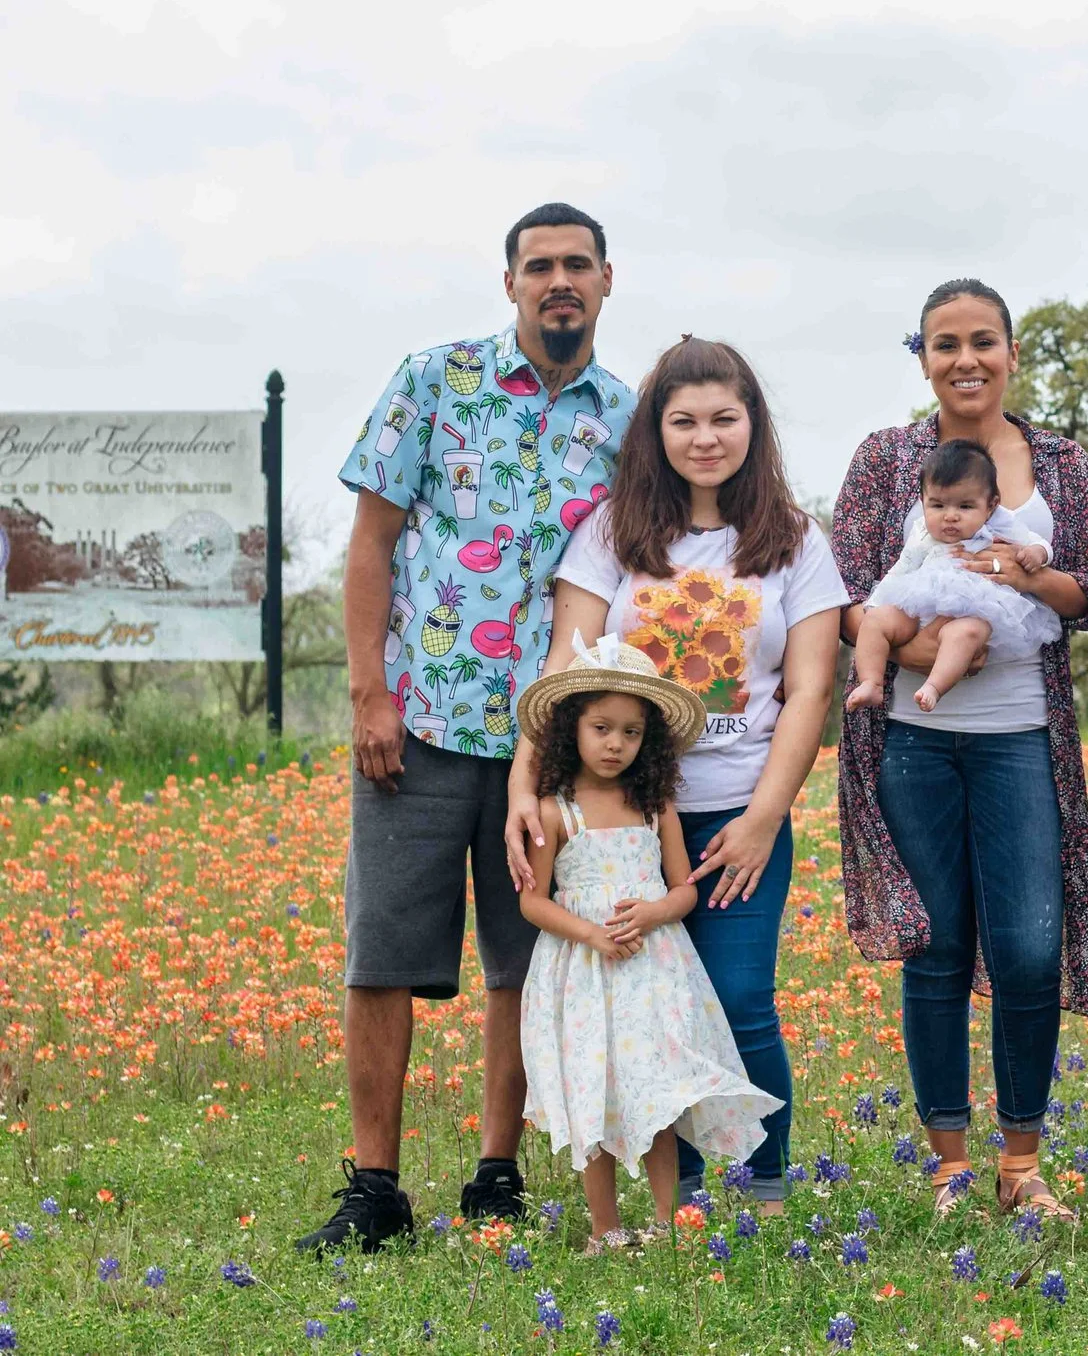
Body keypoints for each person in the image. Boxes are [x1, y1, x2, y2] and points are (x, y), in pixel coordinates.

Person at [305, 202, 635, 1254]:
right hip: (422, 720)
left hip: (552, 738)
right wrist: (369, 690)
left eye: (576, 264)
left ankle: (498, 1172)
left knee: (523, 956)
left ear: (605, 280)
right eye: (538, 266)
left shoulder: (628, 419)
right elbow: (374, 539)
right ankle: (374, 1186)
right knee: (382, 953)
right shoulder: (432, 379)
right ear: (510, 284)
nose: (558, 282)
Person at [507, 336, 845, 1214]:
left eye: (723, 418)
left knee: (738, 997)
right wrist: (525, 787)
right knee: (646, 1014)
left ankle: (764, 1186)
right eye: (683, 419)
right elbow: (560, 665)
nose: (705, 437)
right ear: (655, 430)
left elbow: (810, 687)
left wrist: (768, 816)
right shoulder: (613, 532)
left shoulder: (795, 540)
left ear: (752, 424)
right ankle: (680, 1197)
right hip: (616, 818)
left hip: (735, 809)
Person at [831, 279, 1088, 1220]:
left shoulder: (1060, 461)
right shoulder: (887, 460)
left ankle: (1023, 1159)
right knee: (936, 946)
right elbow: (844, 592)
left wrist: (1031, 579)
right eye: (944, 343)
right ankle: (950, 1166)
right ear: (920, 354)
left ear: (1011, 350)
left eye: (984, 341)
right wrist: (921, 651)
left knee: (1030, 946)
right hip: (914, 742)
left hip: (1020, 740)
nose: (966, 359)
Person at [513, 636, 779, 1251]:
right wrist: (592, 933)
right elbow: (532, 900)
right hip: (583, 970)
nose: (615, 744)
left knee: (657, 1093)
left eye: (631, 733)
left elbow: (684, 890)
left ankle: (667, 1224)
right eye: (601, 727)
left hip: (653, 970)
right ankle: (604, 1228)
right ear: (569, 729)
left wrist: (658, 910)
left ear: (648, 741)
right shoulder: (556, 812)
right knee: (594, 1093)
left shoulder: (655, 805)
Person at [844, 439, 1061, 714]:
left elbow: (1036, 540)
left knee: (967, 633)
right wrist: (877, 603)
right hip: (918, 605)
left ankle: (934, 686)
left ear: (991, 505)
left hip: (974, 607)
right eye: (937, 505)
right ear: (922, 501)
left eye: (965, 507)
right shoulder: (922, 532)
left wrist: (1037, 553)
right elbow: (902, 568)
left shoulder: (999, 524)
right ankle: (871, 682)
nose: (950, 516)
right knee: (874, 620)